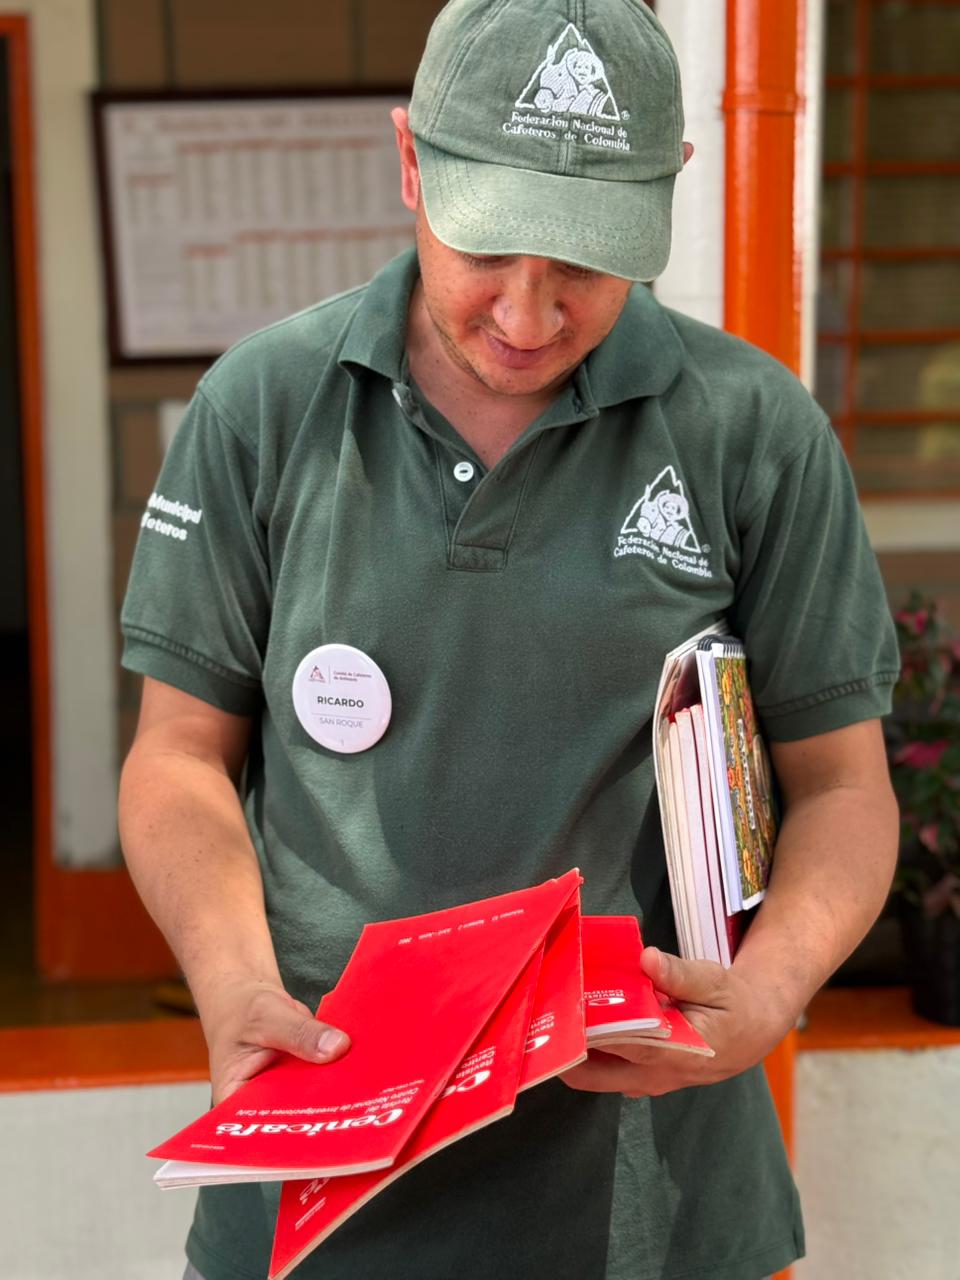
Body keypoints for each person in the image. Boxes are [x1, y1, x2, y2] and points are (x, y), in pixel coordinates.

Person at [118, 2, 900, 1278]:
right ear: (409, 162)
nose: (529, 314)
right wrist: (233, 982)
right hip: (325, 1159)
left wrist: (768, 991)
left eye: (585, 259)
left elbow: (844, 788)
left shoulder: (752, 431)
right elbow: (178, 757)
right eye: (486, 246)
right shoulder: (262, 408)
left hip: (648, 1192)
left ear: (668, 188)